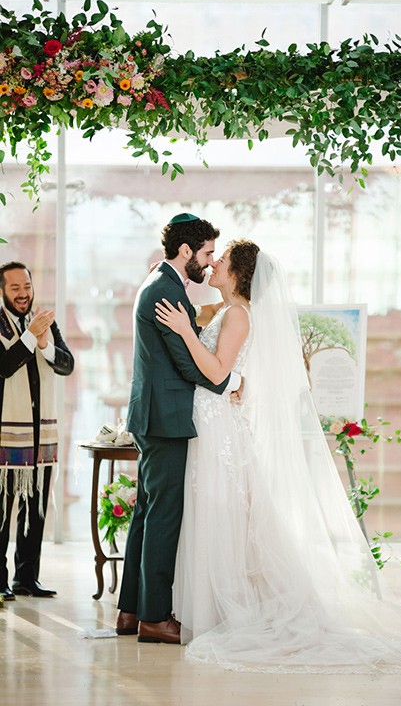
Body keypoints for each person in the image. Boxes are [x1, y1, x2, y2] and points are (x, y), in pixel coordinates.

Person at [155, 240, 401, 674]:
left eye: (222, 261)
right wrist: (235, 378)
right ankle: (215, 606)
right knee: (224, 516)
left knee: (223, 516)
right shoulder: (228, 313)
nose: (212, 265)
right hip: (215, 423)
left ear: (238, 275)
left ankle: (224, 611)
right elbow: (235, 374)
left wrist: (184, 333)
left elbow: (215, 372)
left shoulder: (236, 314)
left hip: (219, 432)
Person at [116, 213, 241, 644]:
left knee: (147, 515)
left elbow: (184, 340)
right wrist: (226, 380)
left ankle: (131, 612)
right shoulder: (165, 291)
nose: (209, 262)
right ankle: (154, 618)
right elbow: (189, 365)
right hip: (165, 420)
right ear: (185, 250)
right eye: (206, 253)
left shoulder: (161, 283)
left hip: (154, 414)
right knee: (163, 518)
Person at [0, 261, 74, 601]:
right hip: (6, 433)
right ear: (2, 290)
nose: (23, 294)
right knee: (1, 512)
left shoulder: (44, 322)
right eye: (15, 288)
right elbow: (3, 366)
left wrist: (44, 342)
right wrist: (31, 338)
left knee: (36, 508)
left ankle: (26, 578)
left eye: (26, 286)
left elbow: (66, 365)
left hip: (41, 433)